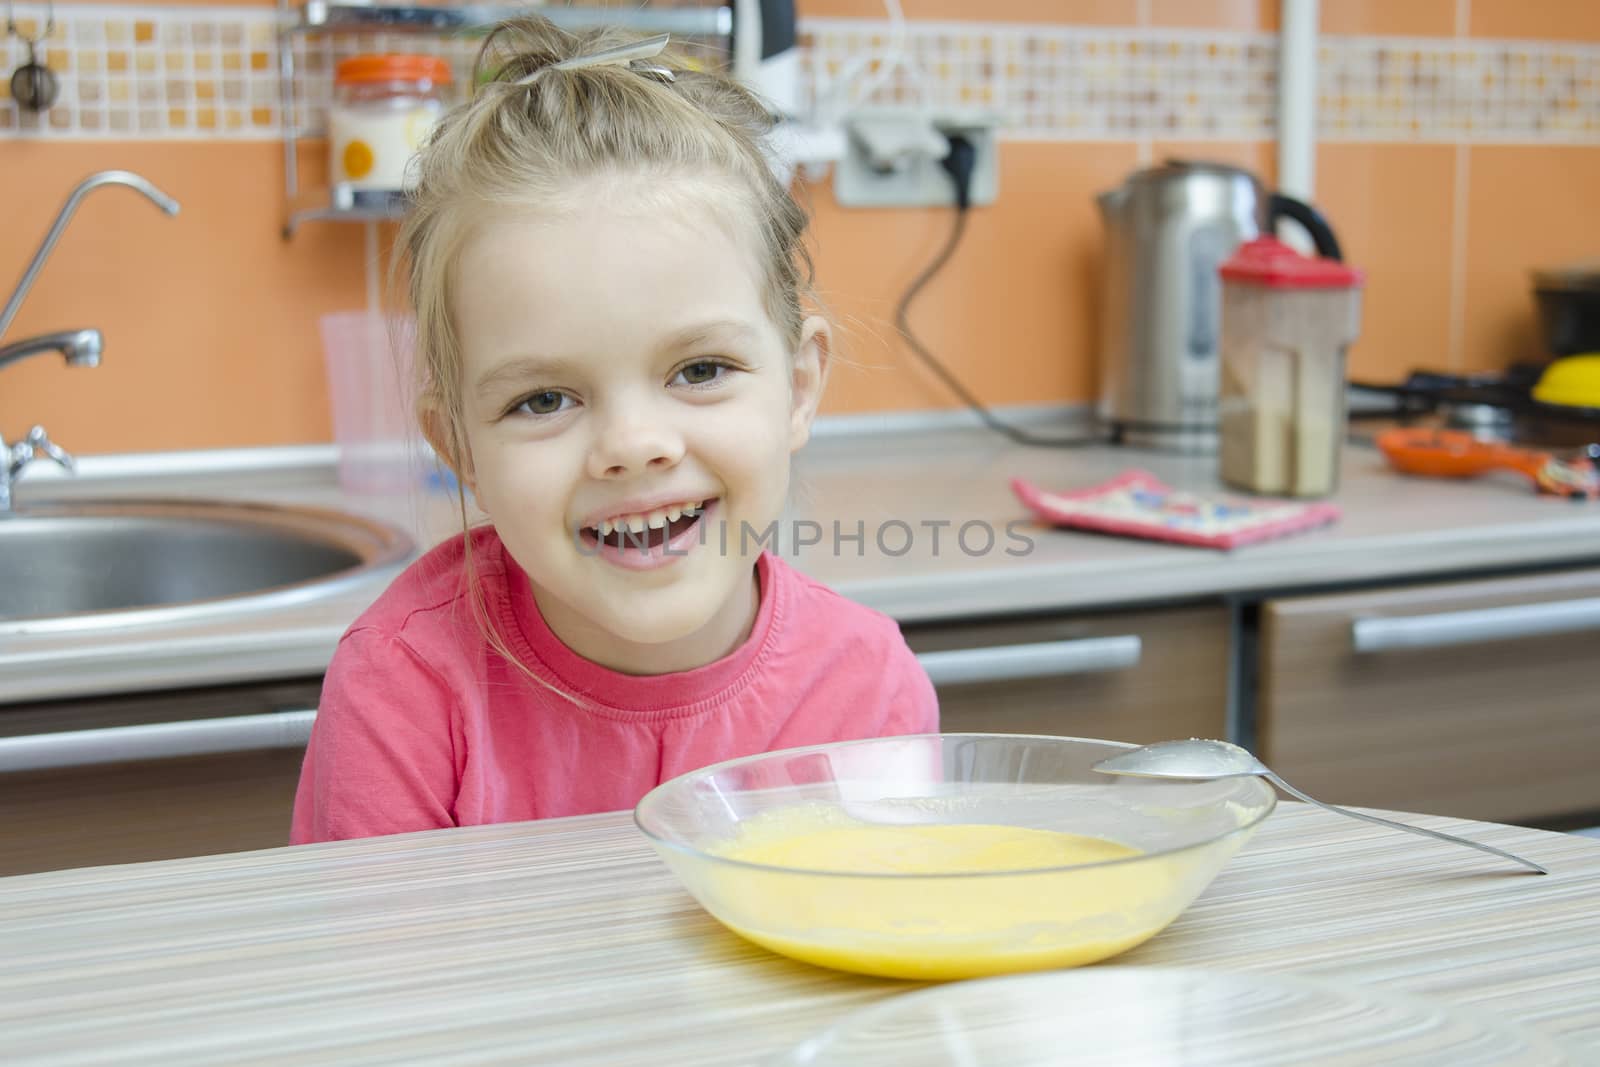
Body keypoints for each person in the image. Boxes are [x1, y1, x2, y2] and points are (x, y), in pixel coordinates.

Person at [290, 17, 940, 843]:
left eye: (699, 370)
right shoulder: (404, 687)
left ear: (799, 387)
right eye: (545, 399)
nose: (634, 445)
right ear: (459, 450)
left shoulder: (869, 689)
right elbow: (378, 972)